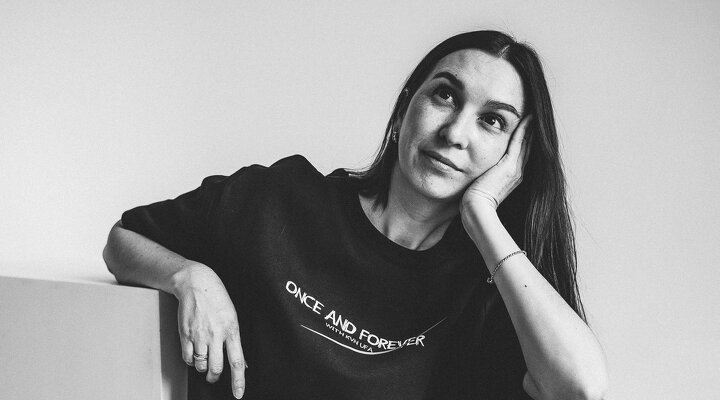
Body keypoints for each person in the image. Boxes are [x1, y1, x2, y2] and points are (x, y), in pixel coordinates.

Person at [104, 30, 608, 400]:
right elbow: (123, 240)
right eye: (445, 95)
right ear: (407, 105)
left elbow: (578, 388)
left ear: (514, 157)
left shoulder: (486, 293)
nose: (455, 133)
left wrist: (482, 216)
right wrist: (189, 276)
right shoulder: (280, 198)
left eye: (492, 121)